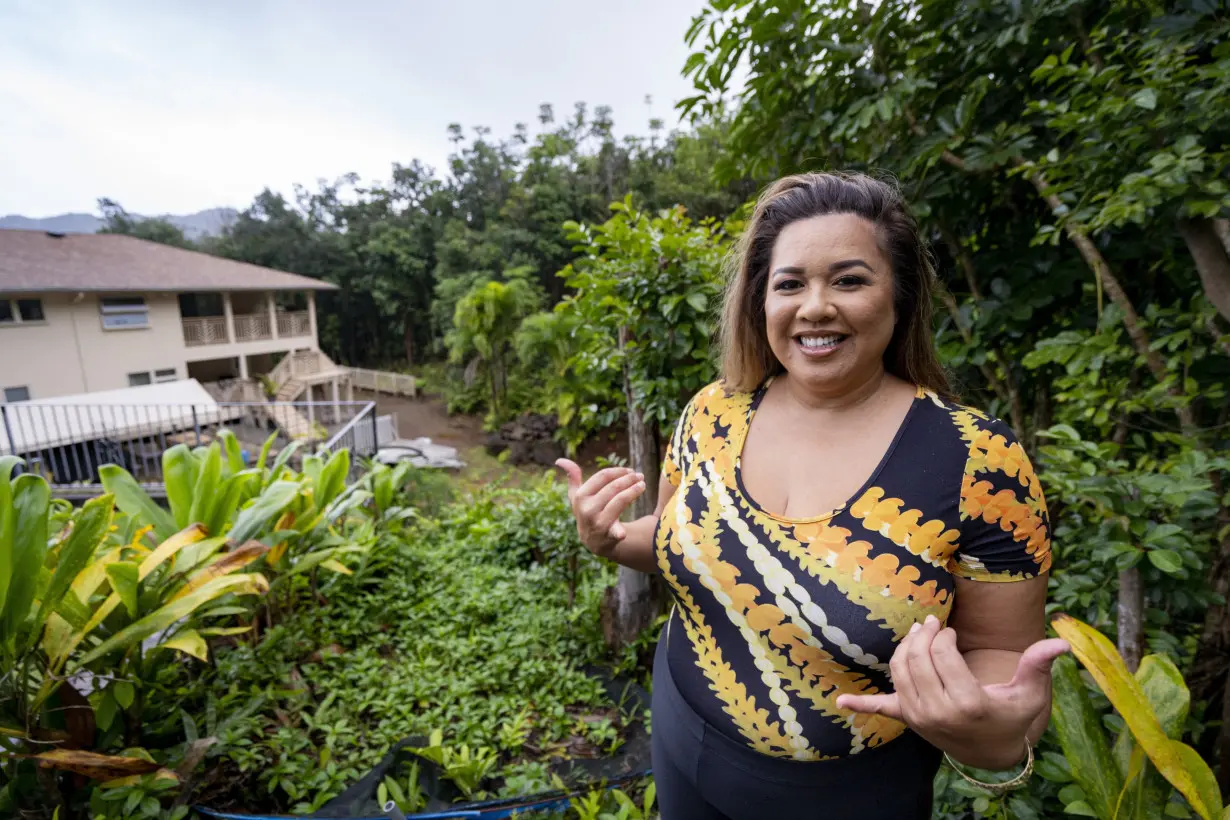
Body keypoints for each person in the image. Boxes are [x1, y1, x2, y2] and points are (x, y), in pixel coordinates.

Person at [556, 172, 1068, 820]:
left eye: (849, 280)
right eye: (790, 283)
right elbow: (676, 541)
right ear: (760, 302)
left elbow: (1001, 659)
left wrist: (990, 724)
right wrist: (609, 539)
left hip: (845, 794)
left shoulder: (979, 463)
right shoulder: (713, 412)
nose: (815, 306)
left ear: (900, 297)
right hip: (682, 727)